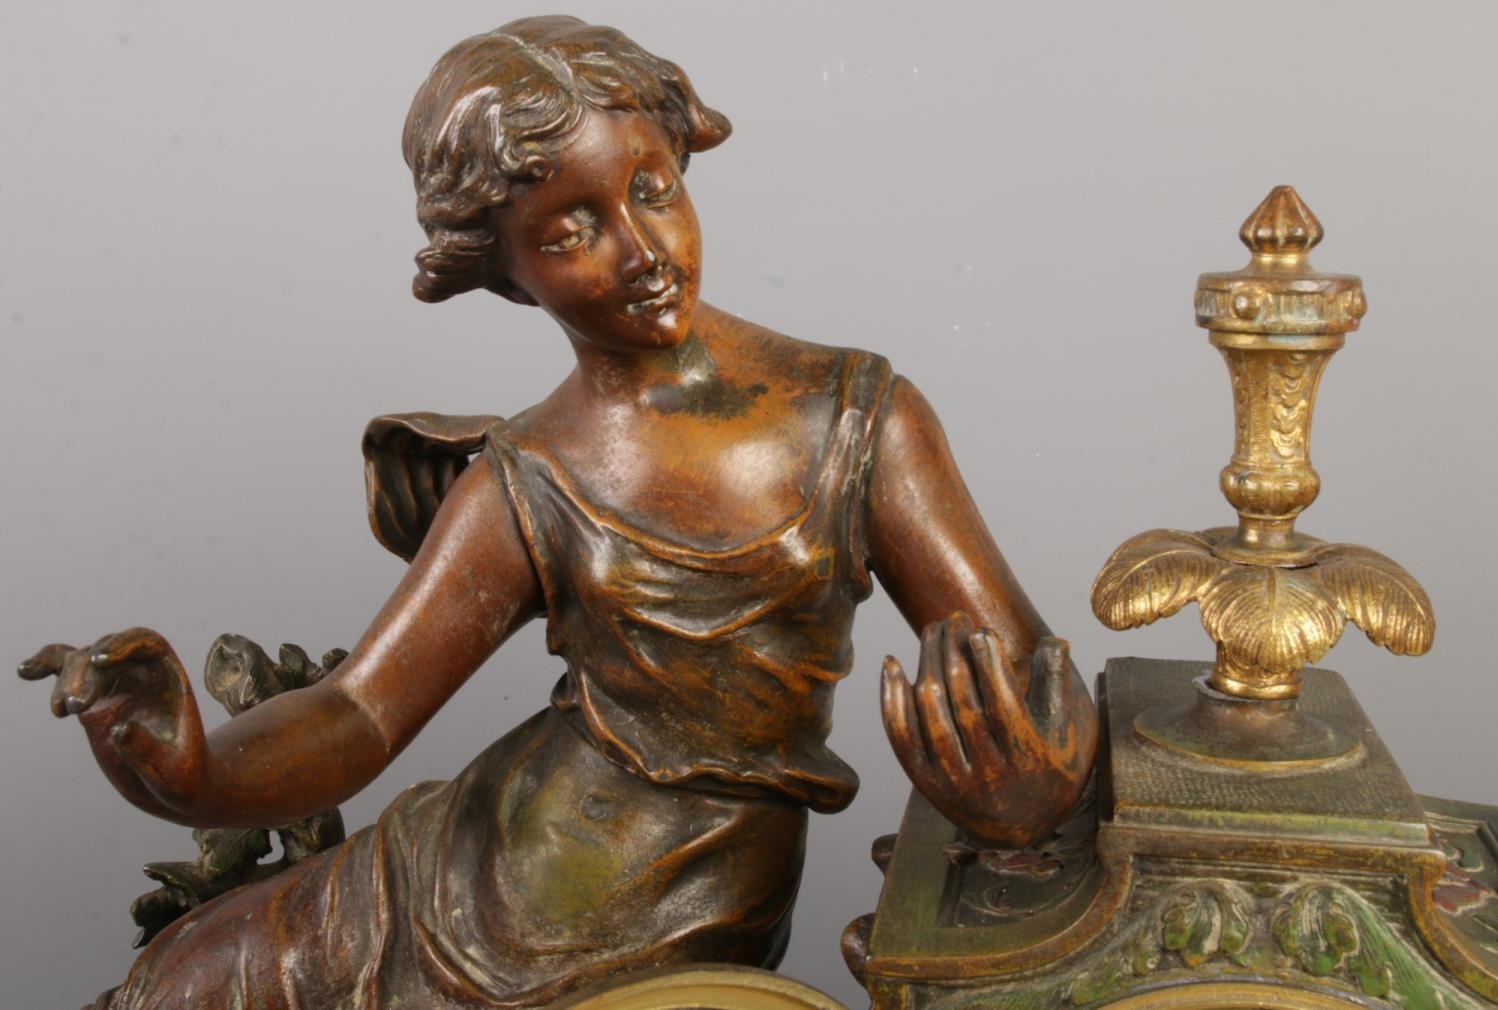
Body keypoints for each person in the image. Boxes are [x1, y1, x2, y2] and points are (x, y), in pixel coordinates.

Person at [19, 16, 1097, 1010]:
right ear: (505, 271)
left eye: (652, 188)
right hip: (468, 860)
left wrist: (1026, 791)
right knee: (183, 980)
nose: (641, 250)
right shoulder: (528, 474)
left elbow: (1027, 670)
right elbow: (358, 713)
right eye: (573, 229)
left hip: (685, 901)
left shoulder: (853, 418)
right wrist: (186, 770)